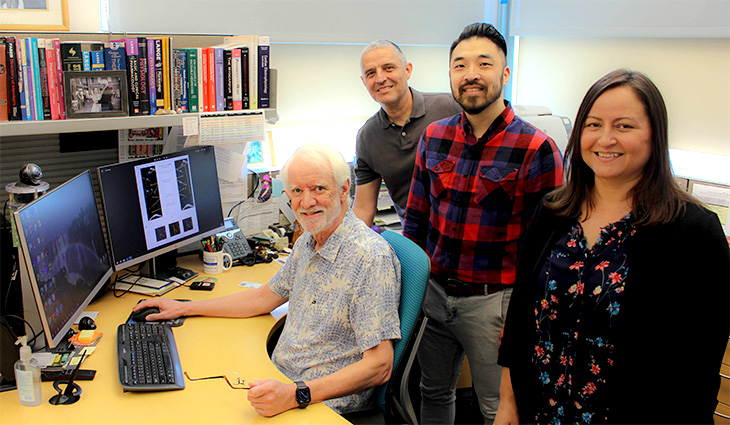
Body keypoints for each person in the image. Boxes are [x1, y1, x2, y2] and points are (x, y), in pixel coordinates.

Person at [495, 69, 730, 424]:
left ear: (654, 134)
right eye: (593, 124)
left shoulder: (693, 231)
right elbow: (520, 321)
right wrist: (508, 404)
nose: (606, 139)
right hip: (540, 411)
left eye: (624, 126)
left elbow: (701, 362)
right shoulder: (553, 212)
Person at [134, 143, 401, 417]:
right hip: (281, 381)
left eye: (319, 189)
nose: (307, 202)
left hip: (320, 403)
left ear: (344, 189)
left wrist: (296, 394)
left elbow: (380, 365)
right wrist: (185, 307)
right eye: (297, 191)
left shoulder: (369, 258)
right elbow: (262, 298)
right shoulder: (309, 242)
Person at [402, 23, 564, 424]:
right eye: (459, 65)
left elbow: (544, 251)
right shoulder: (434, 137)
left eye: (483, 63)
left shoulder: (537, 149)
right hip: (435, 295)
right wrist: (412, 291)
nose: (470, 73)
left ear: (505, 74)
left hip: (496, 305)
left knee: (499, 408)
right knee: (433, 392)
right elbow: (416, 222)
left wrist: (523, 316)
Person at [354, 39, 462, 227]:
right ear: (364, 82)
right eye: (371, 73)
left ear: (408, 70)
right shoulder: (367, 137)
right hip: (416, 241)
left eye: (388, 68)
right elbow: (363, 209)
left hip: (464, 232)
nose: (380, 79)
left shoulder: (451, 108)